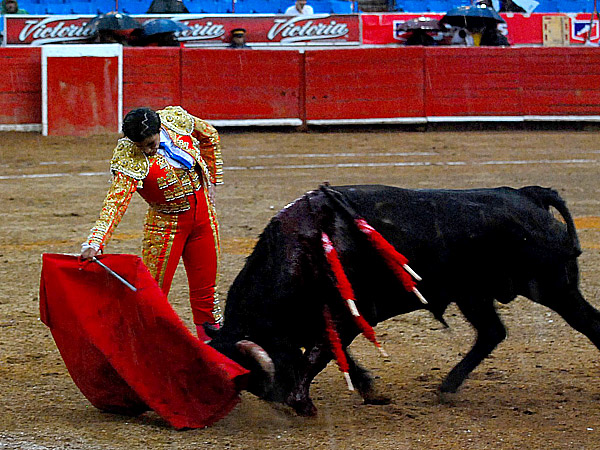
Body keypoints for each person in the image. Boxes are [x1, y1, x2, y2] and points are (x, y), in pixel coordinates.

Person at [80, 106, 223, 342]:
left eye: (151, 143)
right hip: (165, 226)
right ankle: (136, 350)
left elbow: (209, 135)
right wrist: (97, 241)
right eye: (142, 146)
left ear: (159, 129)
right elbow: (116, 202)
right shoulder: (129, 155)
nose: (148, 150)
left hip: (204, 220)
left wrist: (212, 180)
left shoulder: (175, 120)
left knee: (206, 293)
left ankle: (215, 352)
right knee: (151, 296)